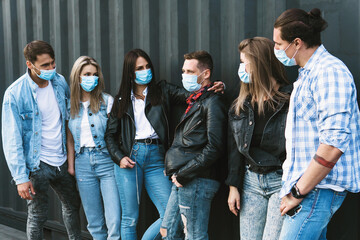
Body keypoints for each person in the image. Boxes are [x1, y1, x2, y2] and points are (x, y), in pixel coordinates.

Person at [273, 8, 360, 239]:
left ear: (297, 43)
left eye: (279, 44)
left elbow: (333, 144)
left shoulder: (329, 72)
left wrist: (298, 192)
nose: (276, 50)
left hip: (316, 191)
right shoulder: (308, 74)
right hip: (310, 190)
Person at [1, 40, 81, 239]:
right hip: (38, 165)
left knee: (72, 207)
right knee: (37, 215)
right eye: (45, 65)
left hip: (62, 160)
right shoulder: (15, 94)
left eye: (53, 63)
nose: (51, 68)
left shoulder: (59, 82)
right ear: (30, 64)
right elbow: (12, 139)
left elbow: (70, 120)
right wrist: (21, 177)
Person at [226, 37, 291, 240]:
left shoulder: (290, 100)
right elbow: (235, 149)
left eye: (245, 62)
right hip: (251, 181)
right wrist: (233, 187)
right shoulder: (241, 105)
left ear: (260, 64)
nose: (241, 67)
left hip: (280, 182)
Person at [160, 50, 227, 240]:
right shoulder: (196, 100)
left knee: (195, 236)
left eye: (190, 71)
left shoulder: (213, 102)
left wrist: (184, 174)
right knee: (168, 232)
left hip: (197, 179)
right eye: (183, 71)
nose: (184, 76)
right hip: (183, 177)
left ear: (205, 74)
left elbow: (215, 147)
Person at [66, 56, 121, 239]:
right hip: (82, 164)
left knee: (114, 219)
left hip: (106, 161)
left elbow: (115, 135)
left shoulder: (107, 101)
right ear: (78, 77)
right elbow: (70, 139)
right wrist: (72, 166)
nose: (92, 78)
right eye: (87, 74)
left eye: (95, 74)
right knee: (94, 222)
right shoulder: (70, 105)